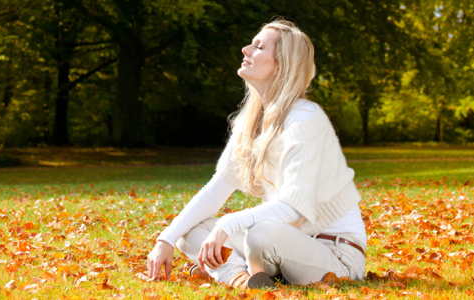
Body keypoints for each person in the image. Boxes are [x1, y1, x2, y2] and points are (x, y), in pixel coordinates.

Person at [146, 18, 367, 289]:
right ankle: (243, 280)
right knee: (188, 232)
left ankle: (242, 272)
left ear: (280, 65)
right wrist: (165, 240)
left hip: (336, 255)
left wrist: (228, 224)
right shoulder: (251, 123)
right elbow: (216, 191)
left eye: (259, 46)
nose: (245, 50)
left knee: (259, 233)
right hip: (285, 243)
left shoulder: (306, 120)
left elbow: (294, 207)